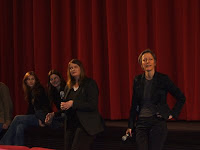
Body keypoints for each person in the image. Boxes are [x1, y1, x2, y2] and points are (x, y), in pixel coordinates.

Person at [126, 49, 186, 150]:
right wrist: (130, 125)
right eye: (144, 60)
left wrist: (172, 113)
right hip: (141, 122)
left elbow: (181, 97)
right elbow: (134, 104)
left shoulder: (163, 79)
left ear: (155, 62)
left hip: (157, 121)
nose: (147, 62)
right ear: (141, 64)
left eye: (150, 59)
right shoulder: (137, 80)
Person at [45, 59, 104, 150]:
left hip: (86, 124)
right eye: (70, 68)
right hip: (71, 124)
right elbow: (66, 106)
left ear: (81, 68)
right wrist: (54, 114)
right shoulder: (68, 86)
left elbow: (92, 105)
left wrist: (73, 103)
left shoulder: (89, 83)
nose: (73, 69)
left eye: (75, 67)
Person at [0, 71, 50, 146]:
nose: (30, 81)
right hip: (35, 116)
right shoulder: (30, 92)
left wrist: (41, 119)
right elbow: (30, 110)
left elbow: (43, 107)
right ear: (25, 81)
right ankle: (18, 147)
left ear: (36, 80)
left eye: (32, 79)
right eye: (28, 79)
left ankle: (4, 142)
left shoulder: (39, 90)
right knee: (20, 126)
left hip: (41, 118)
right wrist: (25, 118)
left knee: (17, 118)